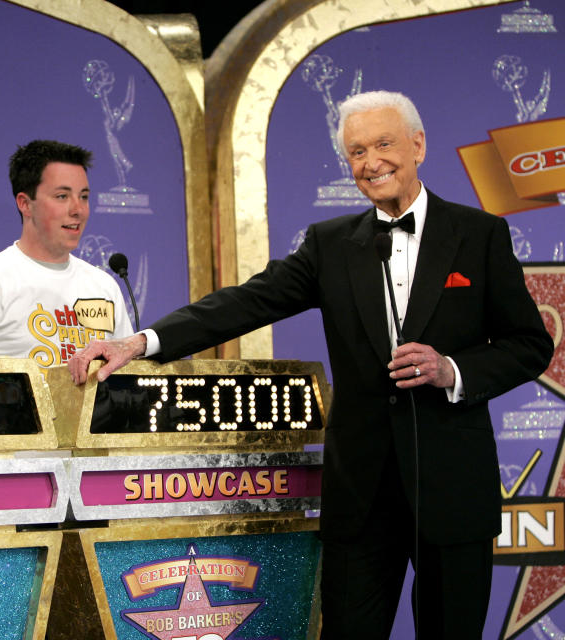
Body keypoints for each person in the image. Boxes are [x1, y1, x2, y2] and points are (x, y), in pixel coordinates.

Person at [69, 91, 553, 638]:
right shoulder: (331, 245)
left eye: (384, 144)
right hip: (361, 498)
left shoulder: (480, 235)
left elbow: (528, 344)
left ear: (418, 145)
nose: (370, 163)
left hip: (452, 491)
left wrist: (452, 371)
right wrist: (142, 341)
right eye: (356, 152)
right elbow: (245, 302)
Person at [0, 139, 134, 366]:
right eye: (62, 196)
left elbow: (125, 380)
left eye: (84, 196)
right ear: (25, 204)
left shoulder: (104, 288)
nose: (78, 210)